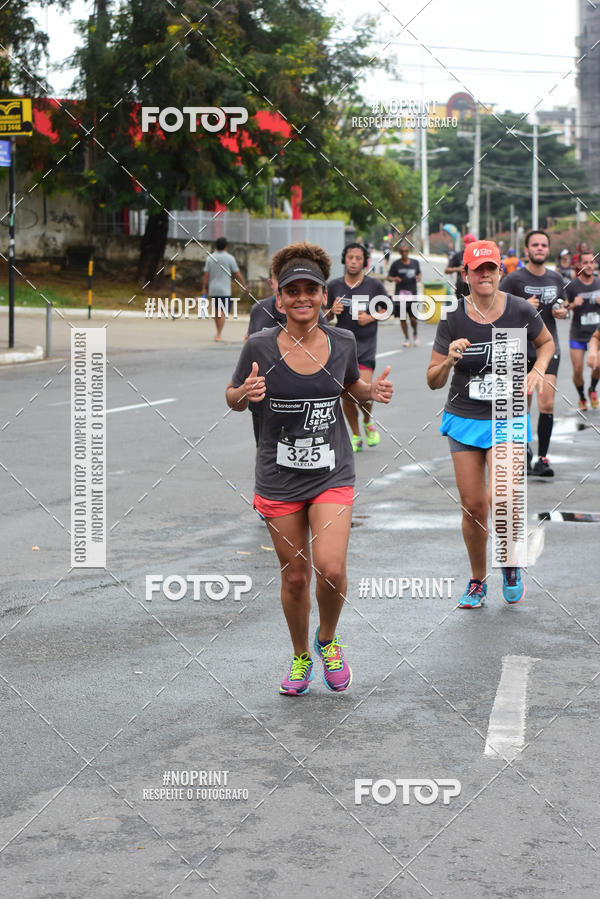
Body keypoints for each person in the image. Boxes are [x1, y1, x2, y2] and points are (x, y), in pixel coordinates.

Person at [226, 242, 393, 695]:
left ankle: (327, 640)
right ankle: (301, 655)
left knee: (331, 567)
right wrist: (247, 394)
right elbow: (232, 396)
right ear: (278, 299)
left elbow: (351, 385)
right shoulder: (260, 345)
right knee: (296, 575)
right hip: (278, 476)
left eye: (311, 290)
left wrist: (370, 394)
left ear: (324, 296)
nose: (302, 298)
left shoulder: (342, 342)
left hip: (331, 471)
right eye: (292, 291)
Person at [427, 240, 554, 608]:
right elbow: (432, 380)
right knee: (473, 507)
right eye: (477, 269)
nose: (485, 274)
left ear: (500, 272)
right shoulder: (453, 318)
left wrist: (538, 370)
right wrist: (450, 360)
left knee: (504, 496)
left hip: (509, 414)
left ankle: (510, 562)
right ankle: (477, 579)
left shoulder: (518, 310)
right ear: (465, 274)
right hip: (464, 417)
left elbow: (545, 343)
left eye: (491, 268)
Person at [500, 230, 567, 477]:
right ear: (526, 250)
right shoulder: (512, 280)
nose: (540, 248)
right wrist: (522, 307)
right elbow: (498, 311)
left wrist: (564, 312)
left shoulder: (556, 278)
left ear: (548, 249)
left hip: (548, 349)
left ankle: (543, 458)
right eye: (535, 245)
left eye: (544, 245)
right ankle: (524, 451)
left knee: (547, 404)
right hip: (520, 349)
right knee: (521, 407)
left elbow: (563, 306)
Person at [326, 242, 390, 452]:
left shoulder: (373, 286)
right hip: (343, 348)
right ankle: (355, 434)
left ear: (364, 262)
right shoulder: (334, 286)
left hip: (366, 345)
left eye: (358, 258)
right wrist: (332, 312)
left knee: (365, 388)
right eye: (350, 257)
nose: (354, 261)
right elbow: (323, 318)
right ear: (344, 259)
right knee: (347, 393)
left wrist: (371, 317)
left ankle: (367, 420)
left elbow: (388, 309)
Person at [564, 250, 600, 410]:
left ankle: (592, 388)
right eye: (585, 262)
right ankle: (582, 397)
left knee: (598, 366)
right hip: (577, 334)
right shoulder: (572, 286)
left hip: (597, 334)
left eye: (592, 262)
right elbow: (563, 308)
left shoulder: (599, 283)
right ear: (579, 265)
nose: (589, 265)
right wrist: (573, 305)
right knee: (577, 370)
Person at [201, 237, 247, 342]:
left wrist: (204, 288)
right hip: (224, 290)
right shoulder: (230, 258)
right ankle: (219, 333)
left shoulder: (210, 258)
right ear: (226, 246)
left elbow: (206, 275)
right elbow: (237, 273)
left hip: (213, 289)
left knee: (217, 311)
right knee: (223, 312)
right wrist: (243, 284)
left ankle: (218, 332)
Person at [387, 241, 422, 346]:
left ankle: (415, 334)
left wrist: (418, 277)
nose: (404, 253)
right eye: (402, 251)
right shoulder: (396, 264)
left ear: (409, 251)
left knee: (413, 319)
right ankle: (407, 338)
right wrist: (394, 278)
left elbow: (419, 273)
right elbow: (388, 277)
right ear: (399, 252)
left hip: (412, 294)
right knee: (403, 318)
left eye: (406, 251)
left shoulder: (415, 262)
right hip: (400, 295)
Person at [445, 233, 477, 299]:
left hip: (475, 288)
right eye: (467, 245)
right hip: (461, 288)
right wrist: (457, 269)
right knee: (462, 307)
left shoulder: (478, 255)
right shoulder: (458, 255)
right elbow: (446, 270)